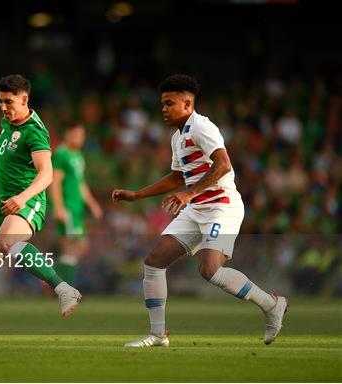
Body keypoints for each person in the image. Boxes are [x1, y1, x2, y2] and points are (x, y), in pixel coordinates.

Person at [112, 74, 288, 347]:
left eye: (169, 103)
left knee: (209, 270)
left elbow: (223, 164)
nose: (164, 109)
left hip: (221, 207)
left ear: (187, 104)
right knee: (154, 262)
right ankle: (158, 335)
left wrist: (190, 193)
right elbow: (176, 177)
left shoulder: (202, 127)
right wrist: (137, 194)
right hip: (195, 208)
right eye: (162, 103)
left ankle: (271, 304)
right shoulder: (177, 137)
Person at [0, 74, 81, 348]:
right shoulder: (9, 121)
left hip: (28, 201)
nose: (3, 107)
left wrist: (23, 198)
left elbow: (46, 174)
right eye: (0, 102)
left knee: (6, 241)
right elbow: (11, 144)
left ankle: (64, 289)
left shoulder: (35, 131)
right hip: (4, 204)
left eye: (8, 102)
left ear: (24, 99)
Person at [49, 122, 103, 285]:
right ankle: (60, 285)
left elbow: (80, 183)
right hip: (68, 208)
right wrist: (58, 207)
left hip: (77, 209)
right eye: (76, 135)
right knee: (76, 245)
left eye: (82, 135)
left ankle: (53, 282)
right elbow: (55, 181)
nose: (80, 139)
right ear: (67, 133)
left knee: (76, 246)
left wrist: (92, 203)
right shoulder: (61, 155)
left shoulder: (78, 156)